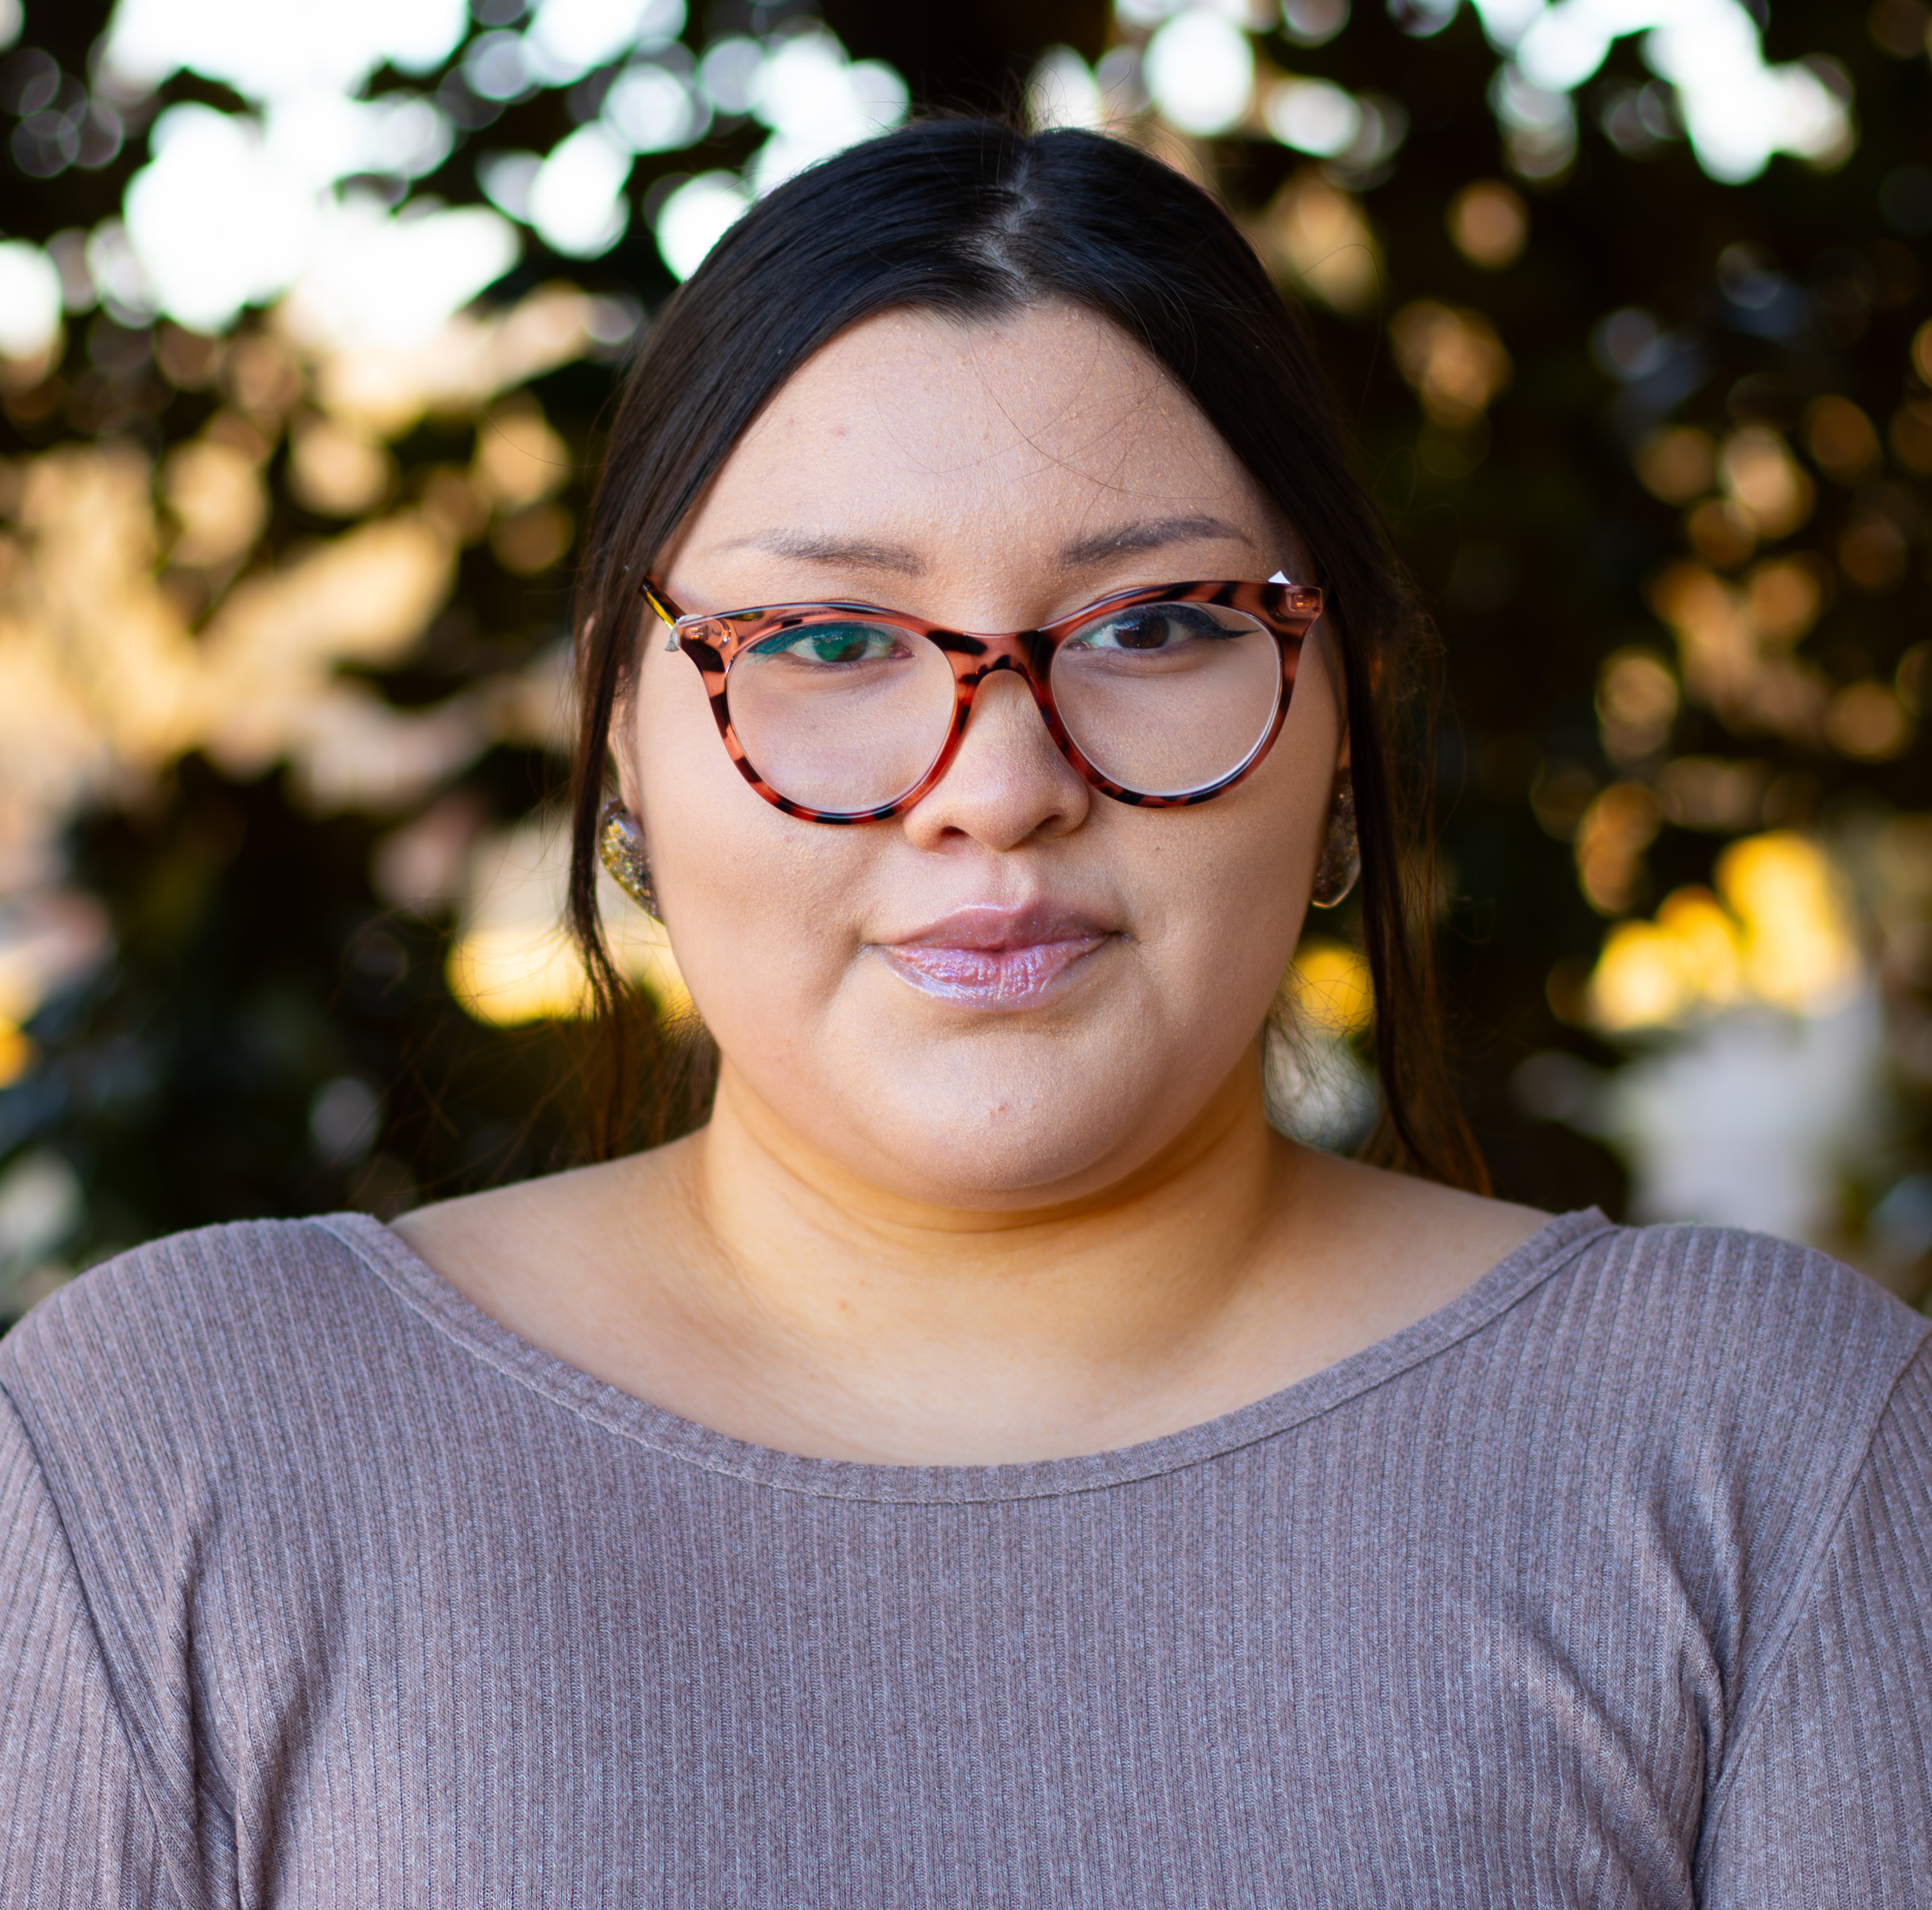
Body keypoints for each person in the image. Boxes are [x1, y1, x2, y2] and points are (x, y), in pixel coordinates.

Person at [2, 120, 1927, 1905]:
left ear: (1344, 727)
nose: (999, 783)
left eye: (1158, 623)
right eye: (830, 639)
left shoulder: (1776, 1462)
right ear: (625, 745)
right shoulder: (171, 1459)